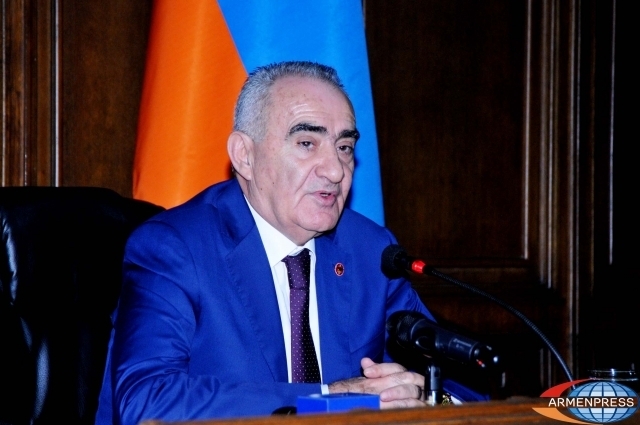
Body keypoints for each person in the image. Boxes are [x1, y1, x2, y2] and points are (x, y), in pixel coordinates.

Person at [95, 61, 485, 425]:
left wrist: (424, 398)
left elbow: (464, 386)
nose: (335, 170)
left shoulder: (370, 250)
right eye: (306, 143)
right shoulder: (176, 248)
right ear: (244, 156)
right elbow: (147, 402)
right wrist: (331, 398)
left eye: (344, 147)